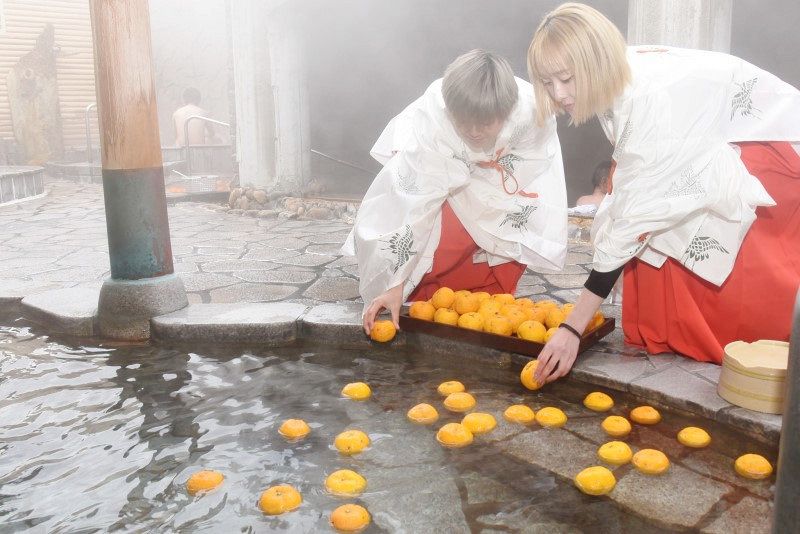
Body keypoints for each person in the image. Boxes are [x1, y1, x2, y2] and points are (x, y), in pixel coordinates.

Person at [527, 3, 800, 383]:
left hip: (760, 148)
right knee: (650, 220)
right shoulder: (616, 79)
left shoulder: (647, 99)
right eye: (547, 82)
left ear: (595, 61)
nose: (558, 93)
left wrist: (573, 328)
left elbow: (634, 221)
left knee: (739, 265)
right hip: (698, 144)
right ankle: (674, 332)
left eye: (567, 79)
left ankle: (756, 346)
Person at [343, 49, 568, 335]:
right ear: (450, 111)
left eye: (485, 123)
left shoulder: (531, 113)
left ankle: (490, 303)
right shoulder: (434, 126)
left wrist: (490, 173)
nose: (474, 132)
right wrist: (394, 283)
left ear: (507, 111)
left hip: (500, 167)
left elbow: (536, 157)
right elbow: (415, 208)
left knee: (511, 226)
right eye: (464, 122)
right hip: (440, 162)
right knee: (441, 236)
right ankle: (425, 298)